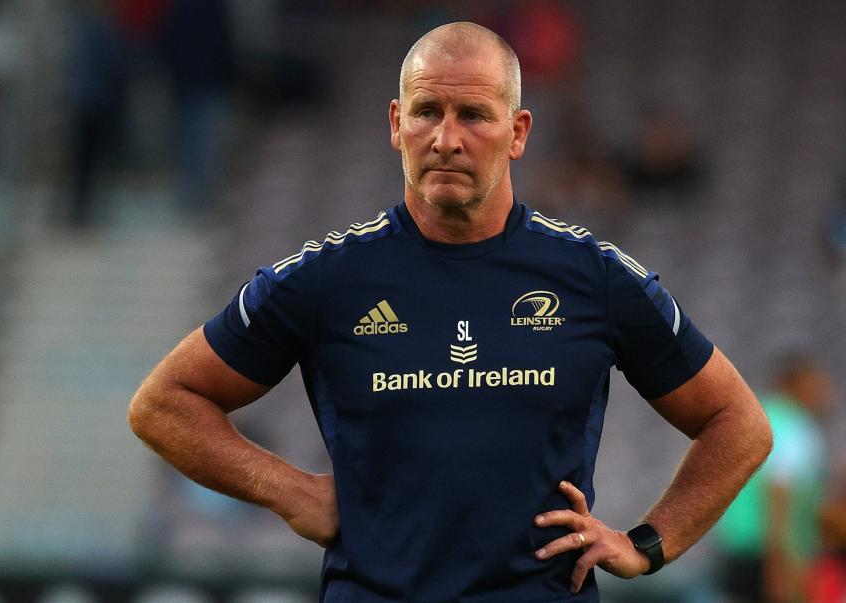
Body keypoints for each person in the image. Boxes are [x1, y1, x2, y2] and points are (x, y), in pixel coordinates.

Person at [128, 22, 772, 601]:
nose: (446, 138)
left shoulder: (593, 277)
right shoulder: (326, 279)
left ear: (518, 132)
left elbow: (738, 423)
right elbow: (163, 403)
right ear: (394, 124)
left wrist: (648, 543)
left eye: (474, 115)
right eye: (427, 111)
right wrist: (289, 490)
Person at [716, 352, 835, 603]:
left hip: (739, 544)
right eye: (816, 384)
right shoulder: (794, 424)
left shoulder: (760, 415)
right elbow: (778, 492)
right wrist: (779, 566)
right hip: (770, 552)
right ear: (794, 384)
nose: (826, 393)